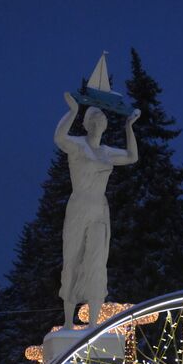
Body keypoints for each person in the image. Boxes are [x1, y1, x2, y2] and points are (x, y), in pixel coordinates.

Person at [54, 89, 141, 328]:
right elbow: (59, 138)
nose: (98, 125)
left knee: (96, 261)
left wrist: (129, 127)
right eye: (94, 120)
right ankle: (68, 323)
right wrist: (72, 111)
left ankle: (93, 323)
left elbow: (132, 156)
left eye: (101, 121)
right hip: (79, 205)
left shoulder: (106, 152)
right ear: (86, 123)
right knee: (72, 258)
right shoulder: (78, 146)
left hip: (99, 209)